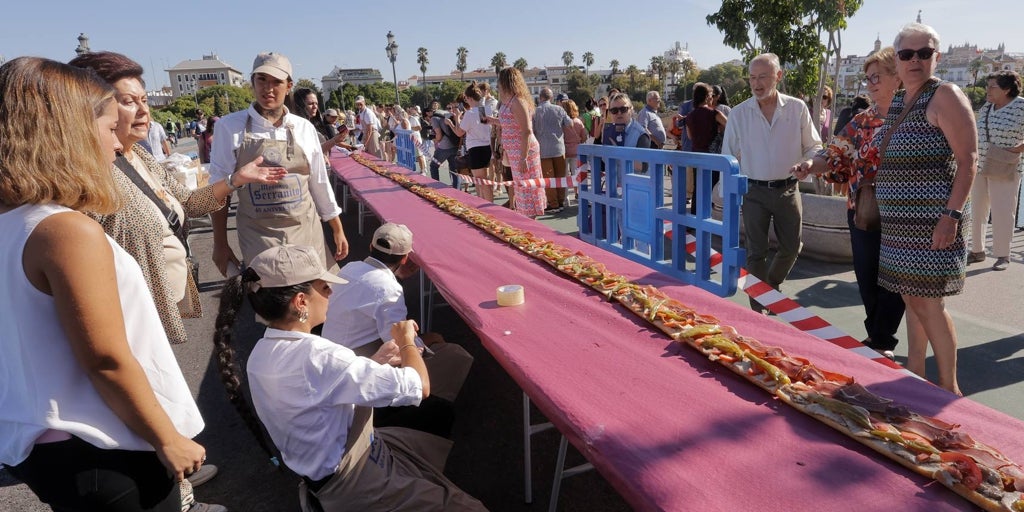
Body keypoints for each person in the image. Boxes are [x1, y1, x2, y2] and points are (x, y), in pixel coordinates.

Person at [0, 56, 211, 512]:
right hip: (101, 444)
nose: (117, 147)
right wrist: (167, 437)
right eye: (108, 127)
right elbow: (106, 358)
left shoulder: (13, 221)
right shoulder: (64, 230)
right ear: (70, 134)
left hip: (48, 444)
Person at [213, 245, 486, 511]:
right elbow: (418, 385)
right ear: (300, 301)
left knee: (432, 424)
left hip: (325, 475)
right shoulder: (322, 355)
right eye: (324, 287)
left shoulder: (261, 353)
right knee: (469, 506)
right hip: (356, 481)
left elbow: (318, 391)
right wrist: (406, 341)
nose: (331, 292)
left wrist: (375, 361)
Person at [70, 51, 286, 346]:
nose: (144, 111)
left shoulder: (141, 156)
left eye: (144, 100)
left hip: (159, 310)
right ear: (94, 107)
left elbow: (189, 203)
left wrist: (237, 179)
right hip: (131, 323)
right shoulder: (91, 175)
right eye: (129, 102)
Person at [872, 23, 977, 394]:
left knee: (929, 304)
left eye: (924, 53)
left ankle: (949, 389)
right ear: (897, 60)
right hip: (901, 225)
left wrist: (950, 217)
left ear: (937, 57)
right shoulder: (902, 99)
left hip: (934, 221)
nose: (915, 60)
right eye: (906, 54)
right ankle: (916, 374)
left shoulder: (945, 95)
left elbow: (969, 160)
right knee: (911, 298)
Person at [794, 47, 906, 359]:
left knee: (895, 280)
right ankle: (877, 336)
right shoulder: (861, 121)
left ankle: (882, 340)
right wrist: (808, 166)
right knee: (867, 275)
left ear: (897, 78)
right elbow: (833, 153)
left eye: (876, 77)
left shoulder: (916, 116)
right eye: (867, 77)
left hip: (906, 215)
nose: (870, 83)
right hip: (864, 212)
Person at [321, 223, 473, 429]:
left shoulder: (350, 268)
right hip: (358, 369)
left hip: (333, 358)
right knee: (455, 355)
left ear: (370, 246)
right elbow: (401, 342)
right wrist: (429, 339)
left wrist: (396, 277)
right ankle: (419, 410)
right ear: (405, 258)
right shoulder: (388, 288)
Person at [210, 52, 349, 277]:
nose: (268, 89)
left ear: (289, 86)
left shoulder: (304, 128)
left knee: (312, 302)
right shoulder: (229, 128)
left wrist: (337, 229)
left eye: (276, 82)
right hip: (258, 236)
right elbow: (218, 190)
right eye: (262, 80)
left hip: (305, 230)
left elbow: (319, 182)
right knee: (270, 303)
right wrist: (220, 242)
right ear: (252, 83)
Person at [723, 53, 822, 313]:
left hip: (788, 189)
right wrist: (726, 194)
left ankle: (769, 287)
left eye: (763, 77)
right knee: (756, 252)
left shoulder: (797, 107)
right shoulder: (739, 113)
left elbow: (814, 146)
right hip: (753, 191)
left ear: (778, 76)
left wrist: (808, 164)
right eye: (752, 78)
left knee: (792, 247)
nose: (757, 83)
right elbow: (727, 156)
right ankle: (759, 307)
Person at [969, 70, 1024, 271]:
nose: (988, 90)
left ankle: (1003, 255)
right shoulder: (987, 107)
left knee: (1003, 212)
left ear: (1007, 89)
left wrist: (1016, 148)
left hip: (1005, 166)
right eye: (988, 85)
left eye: (993, 86)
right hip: (981, 164)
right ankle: (977, 250)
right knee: (978, 209)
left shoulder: (1021, 106)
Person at [497, 67, 547, 217]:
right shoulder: (509, 102)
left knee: (527, 187)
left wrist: (523, 157)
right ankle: (527, 217)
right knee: (521, 187)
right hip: (516, 152)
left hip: (523, 151)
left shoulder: (517, 101)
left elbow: (526, 130)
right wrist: (492, 121)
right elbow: (512, 123)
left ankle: (530, 219)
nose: (497, 84)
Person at [686, 83, 728, 215]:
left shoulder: (690, 116)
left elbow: (690, 136)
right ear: (707, 97)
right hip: (712, 155)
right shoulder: (714, 113)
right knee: (712, 187)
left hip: (696, 155)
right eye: (711, 96)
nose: (712, 99)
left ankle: (694, 217)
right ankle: (709, 218)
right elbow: (731, 126)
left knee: (698, 187)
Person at [450, 82, 496, 201]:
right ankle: (486, 204)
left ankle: (486, 205)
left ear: (469, 98)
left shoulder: (470, 113)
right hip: (486, 147)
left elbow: (459, 132)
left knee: (480, 180)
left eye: (466, 98)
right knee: (483, 179)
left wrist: (456, 119)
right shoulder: (486, 110)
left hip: (476, 148)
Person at [533, 87, 573, 213]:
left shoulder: (535, 112)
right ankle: (561, 202)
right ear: (551, 98)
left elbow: (532, 130)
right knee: (560, 176)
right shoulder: (559, 109)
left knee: (548, 178)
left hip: (543, 150)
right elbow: (570, 123)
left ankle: (553, 204)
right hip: (559, 148)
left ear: (540, 97)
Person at [293, 87, 349, 156]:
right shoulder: (297, 126)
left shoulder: (315, 124)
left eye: (316, 103)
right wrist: (335, 140)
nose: (315, 106)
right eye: (311, 103)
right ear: (300, 105)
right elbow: (312, 152)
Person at [561, 98, 589, 202]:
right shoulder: (578, 122)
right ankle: (577, 193)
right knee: (576, 174)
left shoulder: (562, 123)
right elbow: (584, 136)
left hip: (564, 151)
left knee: (565, 175)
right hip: (576, 150)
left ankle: (566, 197)